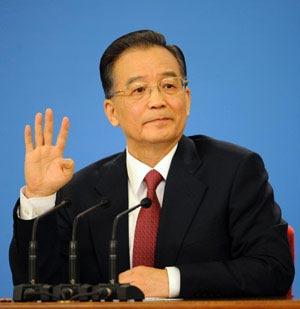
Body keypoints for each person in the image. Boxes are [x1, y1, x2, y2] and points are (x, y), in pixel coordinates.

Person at [10, 30, 294, 299]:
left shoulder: (235, 171)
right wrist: (40, 198)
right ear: (111, 112)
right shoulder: (81, 193)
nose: (157, 101)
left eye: (169, 86)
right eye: (139, 90)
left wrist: (170, 281)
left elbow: (273, 269)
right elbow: (37, 289)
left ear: (187, 98)